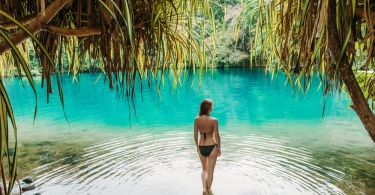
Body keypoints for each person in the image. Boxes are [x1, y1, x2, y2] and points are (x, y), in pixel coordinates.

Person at [194, 99, 221, 195]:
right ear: (209, 108)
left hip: (201, 146)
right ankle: (208, 190)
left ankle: (204, 189)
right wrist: (219, 148)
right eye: (211, 106)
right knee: (210, 171)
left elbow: (195, 135)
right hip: (212, 146)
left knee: (204, 169)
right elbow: (217, 136)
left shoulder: (197, 120)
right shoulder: (214, 120)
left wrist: (197, 147)